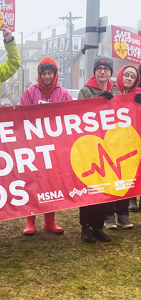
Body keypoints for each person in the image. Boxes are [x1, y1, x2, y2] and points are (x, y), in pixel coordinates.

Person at [19, 56, 72, 236]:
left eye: (50, 73)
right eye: (44, 73)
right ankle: (30, 221)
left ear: (55, 74)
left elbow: (71, 117)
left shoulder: (63, 93)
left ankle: (50, 221)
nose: (47, 76)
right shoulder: (30, 92)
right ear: (39, 75)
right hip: (33, 146)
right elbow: (19, 116)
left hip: (55, 147)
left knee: (51, 184)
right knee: (33, 183)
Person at [78, 55, 120, 243]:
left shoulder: (118, 91)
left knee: (106, 189)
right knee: (89, 189)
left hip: (111, 147)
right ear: (94, 72)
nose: (102, 72)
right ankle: (85, 227)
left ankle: (98, 226)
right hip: (90, 147)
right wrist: (99, 102)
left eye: (106, 69)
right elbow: (78, 114)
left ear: (111, 72)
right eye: (99, 69)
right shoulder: (86, 91)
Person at [113, 65, 141, 215]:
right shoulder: (111, 91)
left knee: (130, 178)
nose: (129, 78)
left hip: (133, 143)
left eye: (132, 77)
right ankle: (109, 215)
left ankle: (123, 214)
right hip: (115, 142)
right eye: (126, 75)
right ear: (120, 76)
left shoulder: (138, 94)